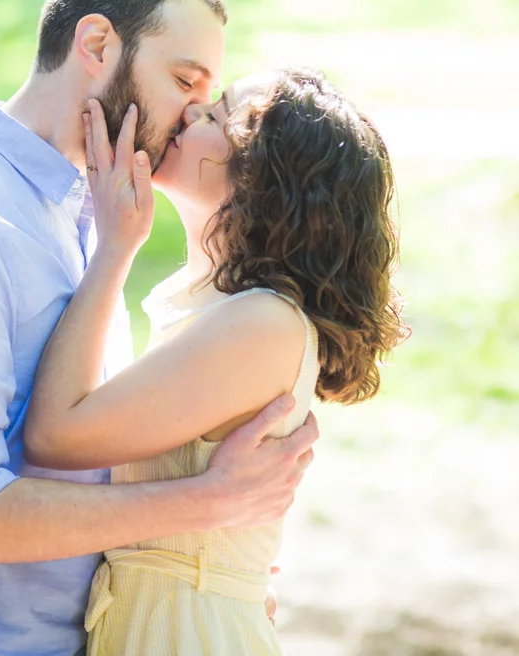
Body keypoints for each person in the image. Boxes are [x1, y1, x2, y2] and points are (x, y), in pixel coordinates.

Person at [0, 0, 319, 656]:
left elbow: (83, 463)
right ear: (97, 45)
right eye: (183, 80)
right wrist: (207, 503)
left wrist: (199, 571)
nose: (194, 112)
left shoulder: (84, 217)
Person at [24, 66, 406, 655]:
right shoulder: (215, 308)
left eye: (218, 114)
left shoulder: (264, 323)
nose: (192, 111)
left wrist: (117, 247)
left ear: (265, 176)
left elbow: (55, 434)